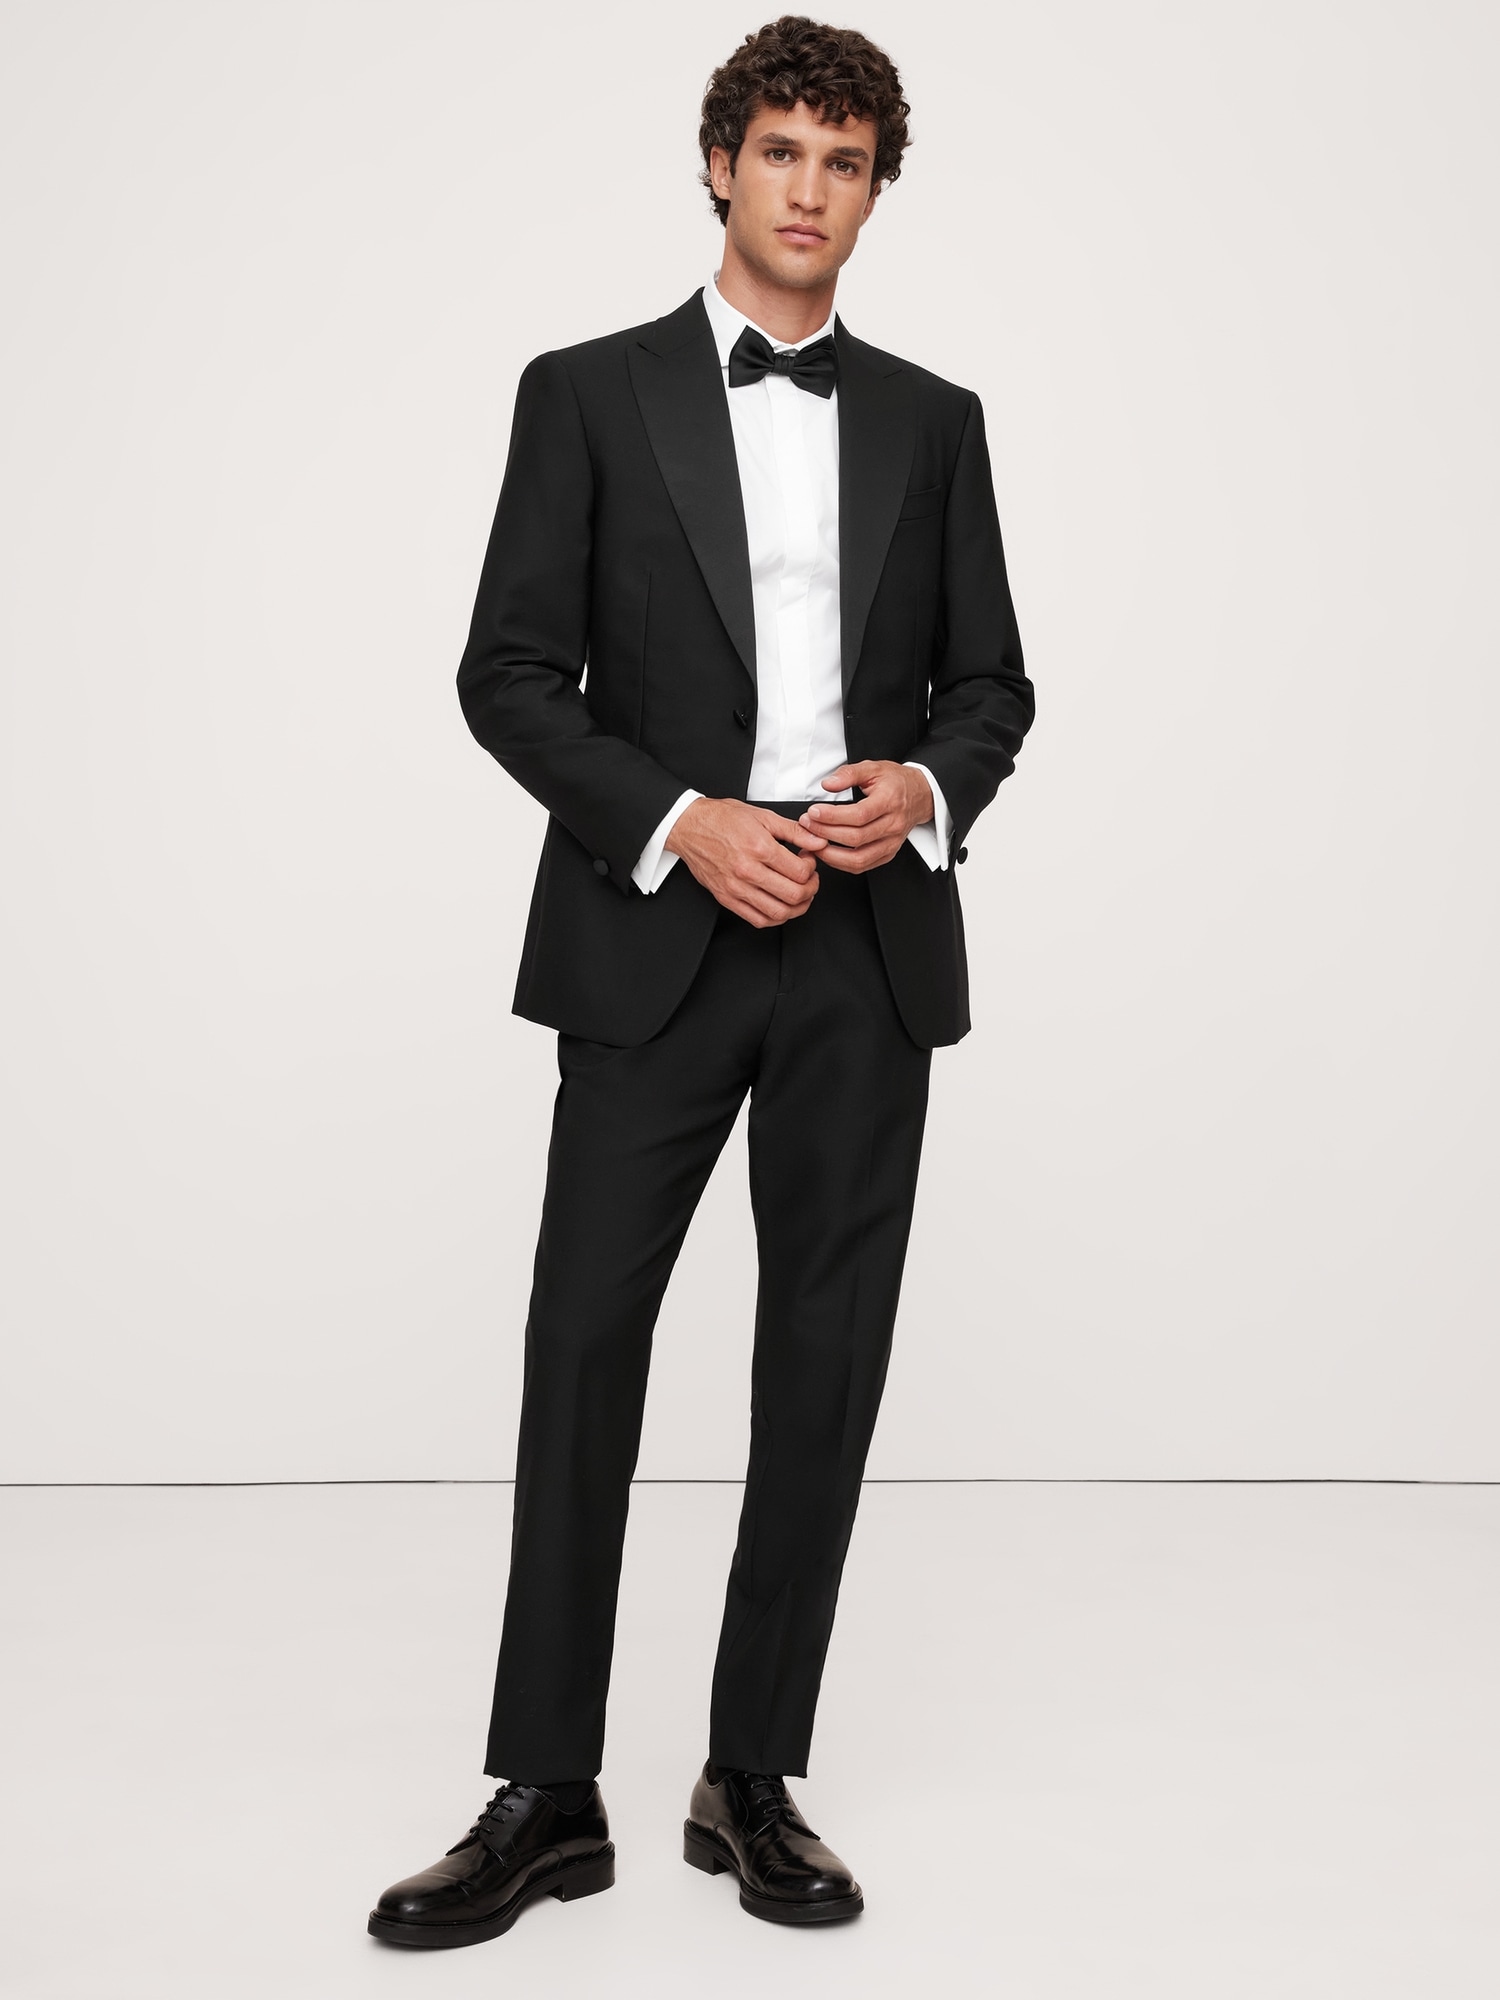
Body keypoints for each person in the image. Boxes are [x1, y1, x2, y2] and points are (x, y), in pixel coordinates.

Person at [368, 12, 1033, 1947]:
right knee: (584, 1340)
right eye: (783, 153)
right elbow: (509, 673)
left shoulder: (935, 419)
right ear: (721, 166)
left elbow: (992, 683)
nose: (811, 191)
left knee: (822, 1358)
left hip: (866, 950)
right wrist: (679, 820)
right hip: (655, 934)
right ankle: (543, 1793)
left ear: (874, 194)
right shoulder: (586, 393)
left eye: (846, 164)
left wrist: (924, 787)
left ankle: (753, 1776)